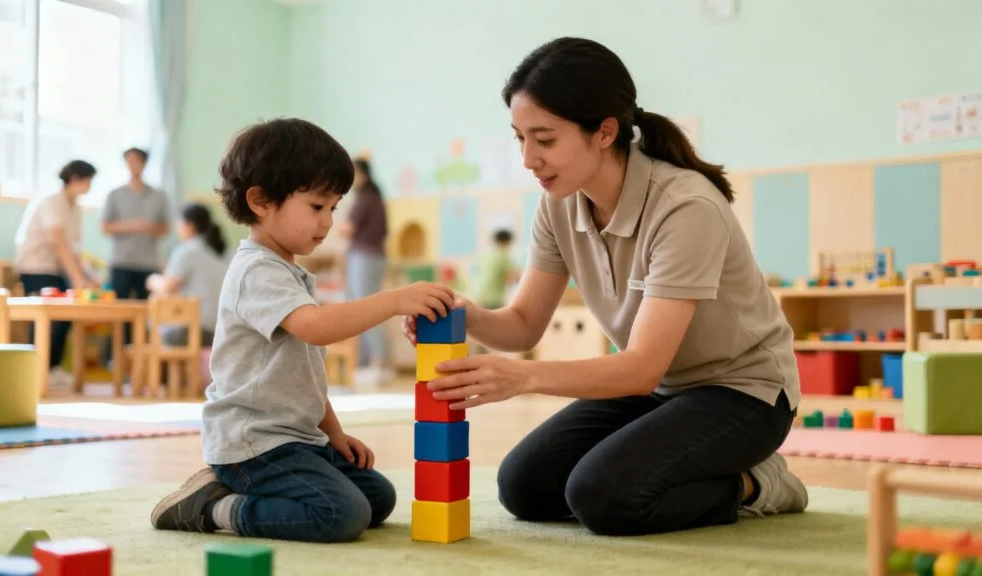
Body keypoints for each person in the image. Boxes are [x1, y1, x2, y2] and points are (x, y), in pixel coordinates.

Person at [402, 37, 808, 537]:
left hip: (743, 394)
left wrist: (522, 378)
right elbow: (524, 325)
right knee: (524, 487)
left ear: (604, 132)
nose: (529, 158)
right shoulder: (559, 204)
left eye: (545, 139)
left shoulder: (685, 207)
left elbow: (640, 367)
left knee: (605, 496)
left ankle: (758, 484)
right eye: (519, 138)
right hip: (661, 390)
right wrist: (466, 313)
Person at [149, 118, 457, 543]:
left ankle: (238, 492)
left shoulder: (290, 273)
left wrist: (334, 434)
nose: (328, 221)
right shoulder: (256, 270)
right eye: (317, 207)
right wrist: (393, 300)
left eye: (334, 208)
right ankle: (214, 507)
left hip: (295, 439)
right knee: (341, 514)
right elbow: (316, 329)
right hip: (253, 446)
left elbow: (305, 374)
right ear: (260, 201)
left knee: (377, 499)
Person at [13, 160, 99, 385]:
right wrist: (78, 279)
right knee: (42, 318)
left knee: (66, 316)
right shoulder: (51, 200)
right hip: (36, 267)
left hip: (58, 269)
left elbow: (75, 251)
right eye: (88, 181)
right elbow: (58, 243)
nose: (90, 186)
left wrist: (88, 278)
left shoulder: (76, 209)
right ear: (75, 179)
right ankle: (34, 368)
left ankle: (53, 367)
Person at [145, 203, 230, 347]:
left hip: (196, 330)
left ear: (188, 225)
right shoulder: (223, 252)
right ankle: (177, 369)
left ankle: (161, 369)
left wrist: (152, 280)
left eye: (178, 224)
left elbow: (167, 288)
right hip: (223, 330)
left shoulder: (187, 250)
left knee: (151, 322)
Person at [337, 158, 390, 386]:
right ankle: (370, 362)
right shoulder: (376, 198)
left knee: (365, 309)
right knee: (368, 307)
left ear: (361, 174)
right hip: (375, 256)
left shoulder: (364, 198)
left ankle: (376, 362)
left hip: (363, 257)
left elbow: (348, 228)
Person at [101, 147, 171, 302]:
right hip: (121, 262)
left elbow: (166, 228)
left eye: (137, 161)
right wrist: (132, 225)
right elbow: (105, 227)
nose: (133, 165)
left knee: (146, 309)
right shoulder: (115, 194)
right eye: (129, 161)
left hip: (149, 263)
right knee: (120, 309)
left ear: (144, 163)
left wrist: (150, 227)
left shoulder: (158, 196)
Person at [473, 228, 518, 310]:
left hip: (479, 295)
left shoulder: (485, 254)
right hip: (493, 299)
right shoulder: (503, 254)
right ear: (507, 241)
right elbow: (509, 277)